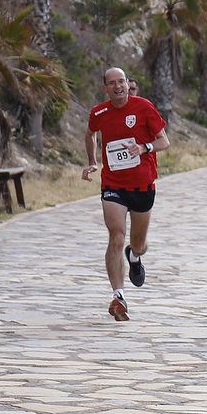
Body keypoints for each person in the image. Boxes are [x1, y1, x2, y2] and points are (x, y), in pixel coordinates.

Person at [82, 67, 170, 321]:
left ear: (127, 84)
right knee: (116, 236)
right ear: (105, 88)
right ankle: (118, 296)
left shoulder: (143, 107)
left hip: (142, 186)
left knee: (138, 244)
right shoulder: (99, 112)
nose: (118, 86)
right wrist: (91, 161)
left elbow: (164, 140)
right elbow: (90, 134)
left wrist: (144, 147)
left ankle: (134, 256)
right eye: (112, 83)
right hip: (113, 185)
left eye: (121, 81)